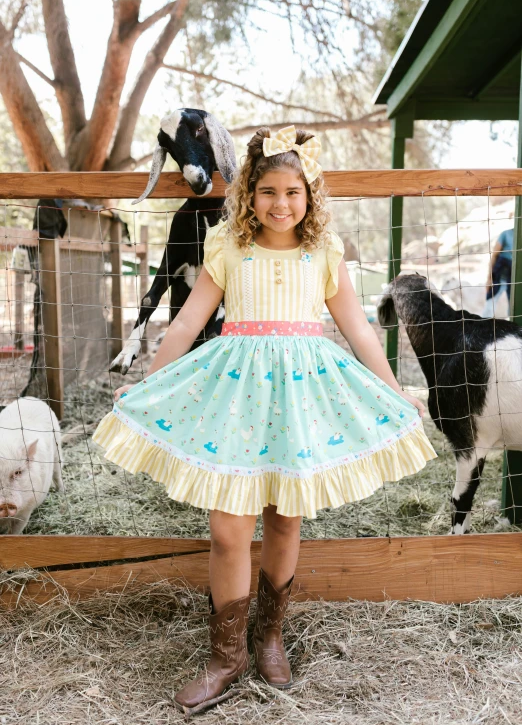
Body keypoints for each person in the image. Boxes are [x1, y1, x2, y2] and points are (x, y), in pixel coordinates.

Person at [93, 125, 437, 715]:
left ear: (311, 196)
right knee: (229, 528)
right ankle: (226, 656)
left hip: (302, 398)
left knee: (284, 520)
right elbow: (184, 321)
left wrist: (392, 389)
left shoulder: (323, 252)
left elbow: (357, 327)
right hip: (237, 395)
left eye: (294, 192)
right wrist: (150, 380)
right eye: (269, 191)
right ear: (249, 193)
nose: (281, 204)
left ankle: (269, 635)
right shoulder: (229, 246)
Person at [482, 215, 514, 318]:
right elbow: (495, 255)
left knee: (514, 300)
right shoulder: (506, 234)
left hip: (516, 272)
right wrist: (489, 277)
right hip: (502, 270)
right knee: (493, 296)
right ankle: (486, 324)